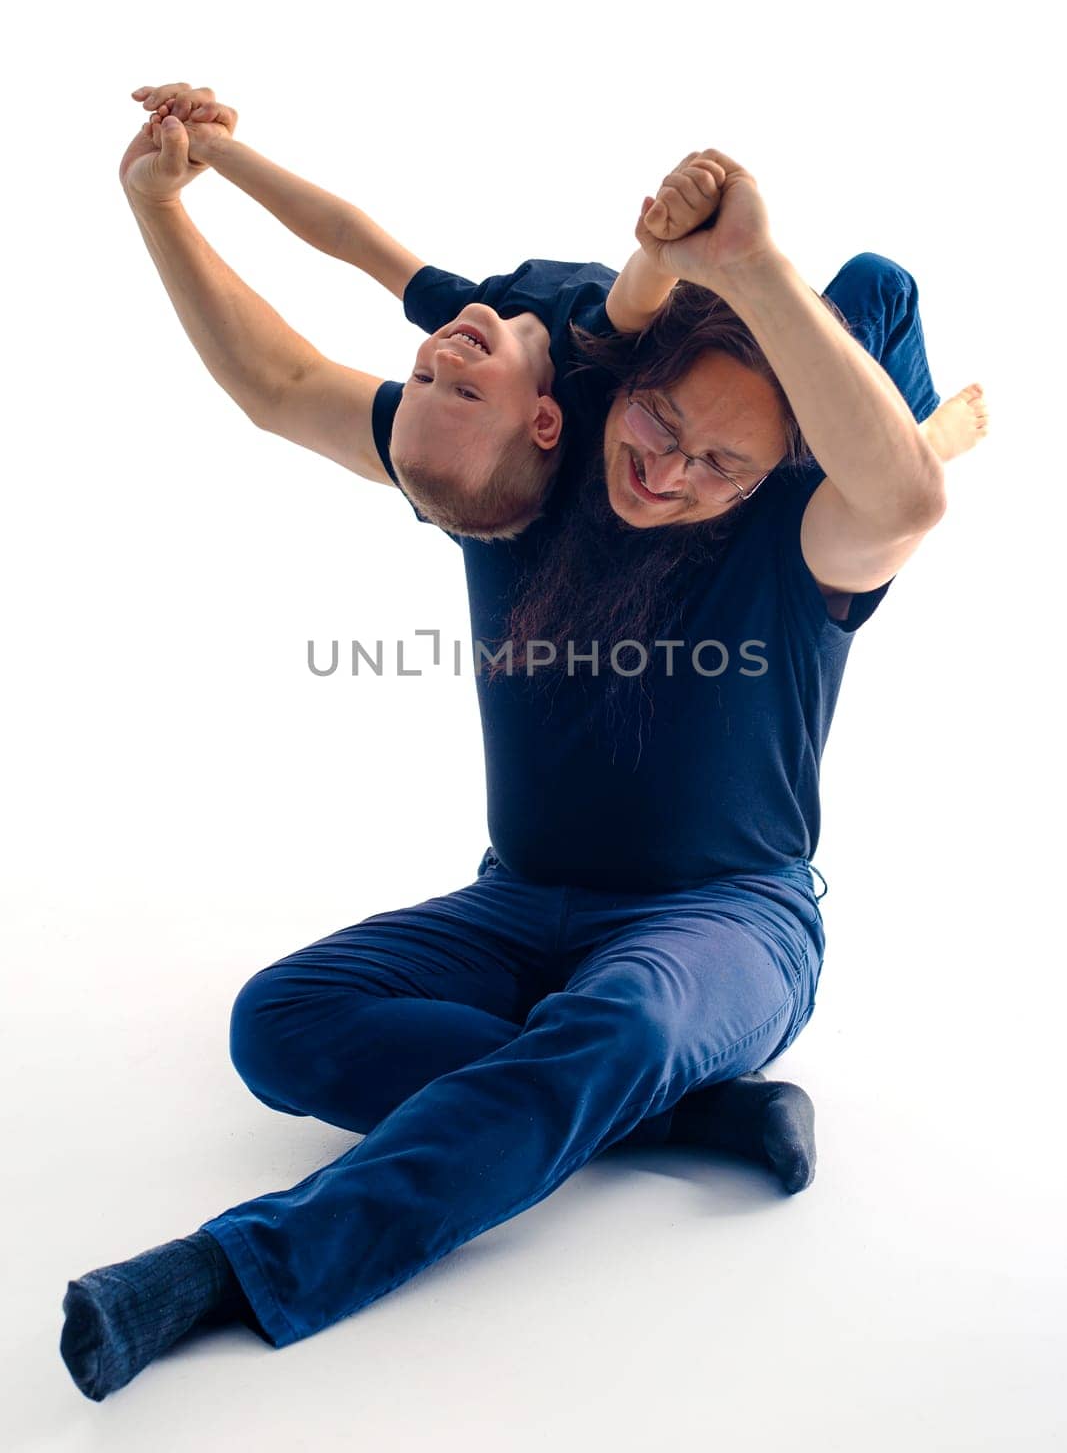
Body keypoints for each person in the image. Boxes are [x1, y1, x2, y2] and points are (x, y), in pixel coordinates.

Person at [59, 103, 982, 1402]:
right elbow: (276, 385)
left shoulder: (790, 536)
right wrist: (159, 204)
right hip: (513, 907)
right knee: (280, 1023)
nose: (662, 467)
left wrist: (748, 268)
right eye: (650, 429)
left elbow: (903, 498)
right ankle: (668, 1112)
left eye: (697, 450)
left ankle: (235, 1270)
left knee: (623, 1012)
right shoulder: (488, 485)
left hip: (723, 918)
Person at [128, 84, 987, 540]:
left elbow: (352, 239)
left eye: (420, 374)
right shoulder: (584, 375)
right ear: (545, 422)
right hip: (745, 366)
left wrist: (218, 152)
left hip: (717, 314)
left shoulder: (477, 322)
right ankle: (923, 433)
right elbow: (627, 306)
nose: (443, 359)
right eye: (461, 391)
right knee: (879, 292)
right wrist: (655, 248)